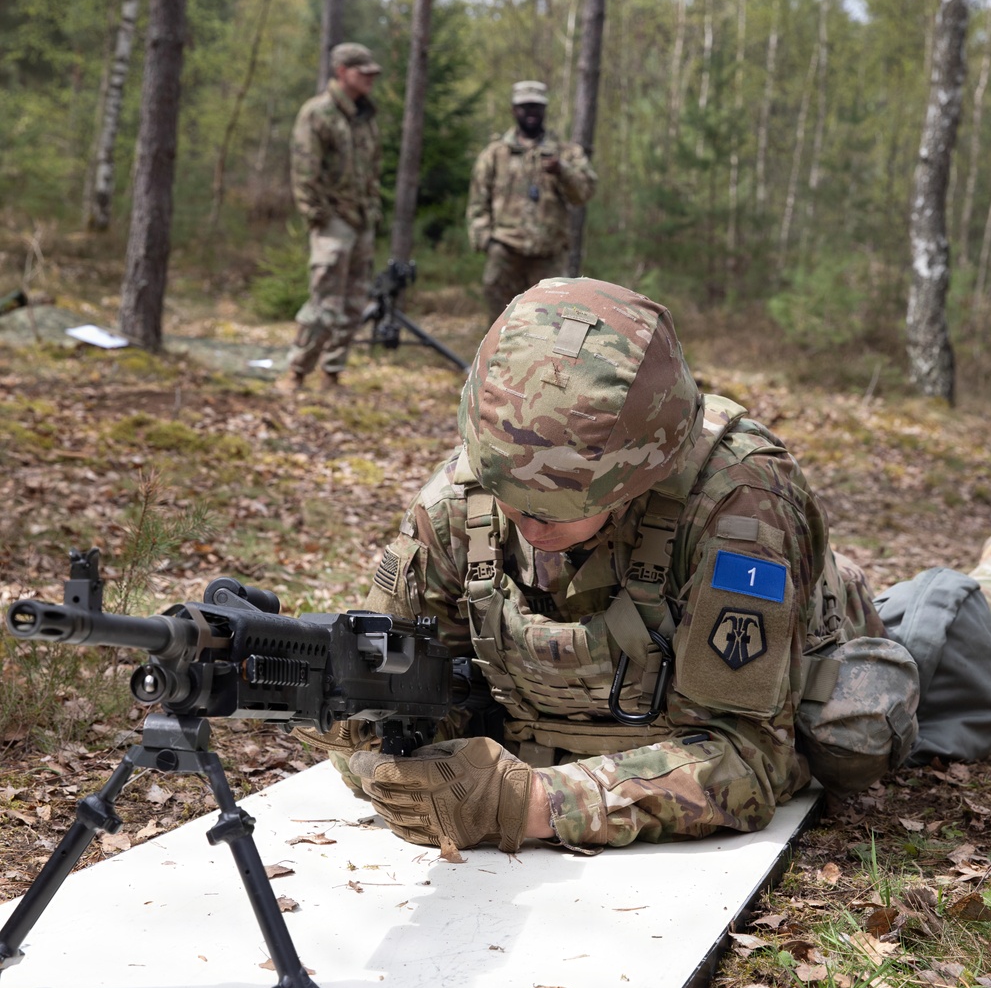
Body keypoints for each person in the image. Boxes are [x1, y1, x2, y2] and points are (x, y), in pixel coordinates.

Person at [322, 277, 908, 855]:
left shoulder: (739, 504)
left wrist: (533, 804)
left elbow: (751, 758)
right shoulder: (460, 500)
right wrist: (381, 751)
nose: (532, 526)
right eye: (513, 494)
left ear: (643, 476)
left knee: (857, 720)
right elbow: (390, 691)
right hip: (577, 717)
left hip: (800, 636)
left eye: (563, 504)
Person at [279, 43, 383, 394]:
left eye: (371, 72)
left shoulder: (366, 116)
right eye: (362, 71)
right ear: (341, 72)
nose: (370, 78)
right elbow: (304, 170)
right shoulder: (318, 113)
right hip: (333, 221)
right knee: (325, 303)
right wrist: (318, 217)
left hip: (361, 221)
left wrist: (372, 210)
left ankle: (332, 374)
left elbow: (373, 169)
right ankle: (296, 372)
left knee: (354, 305)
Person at [466, 82, 597, 324]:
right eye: (525, 107)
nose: (531, 113)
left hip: (549, 255)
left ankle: (547, 364)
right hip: (505, 251)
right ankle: (498, 363)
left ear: (544, 110)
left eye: (536, 107)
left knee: (550, 325)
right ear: (514, 110)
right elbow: (478, 200)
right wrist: (486, 241)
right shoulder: (495, 154)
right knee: (501, 325)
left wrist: (562, 171)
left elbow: (584, 193)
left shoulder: (565, 152)